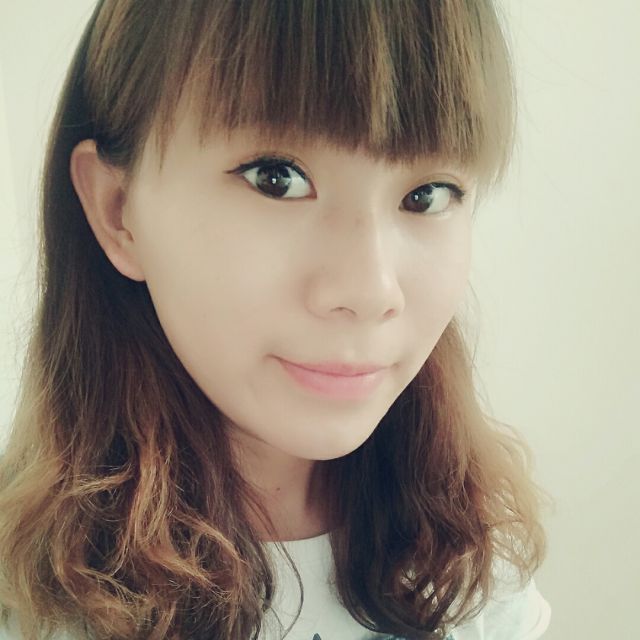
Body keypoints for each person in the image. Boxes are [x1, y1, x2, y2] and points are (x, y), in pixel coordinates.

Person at [0, 1, 553, 638]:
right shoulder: (32, 605)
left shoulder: (475, 565)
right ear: (118, 210)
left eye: (425, 196)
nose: (370, 290)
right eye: (276, 179)